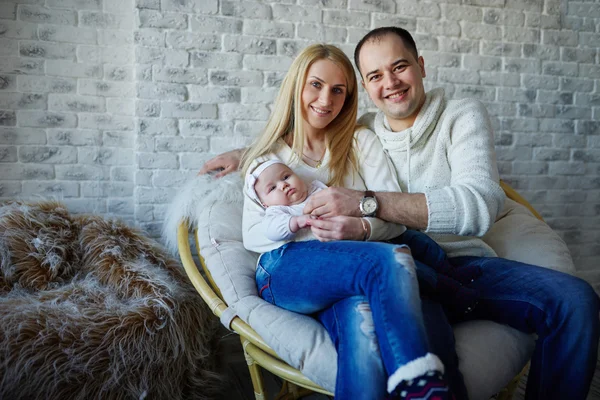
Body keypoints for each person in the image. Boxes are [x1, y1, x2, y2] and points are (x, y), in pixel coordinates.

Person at [239, 43, 467, 400]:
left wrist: (359, 227)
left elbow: (394, 220)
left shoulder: (360, 142)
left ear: (348, 97)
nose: (325, 99)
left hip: (351, 264)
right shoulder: (266, 161)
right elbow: (253, 237)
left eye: (338, 90)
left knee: (362, 320)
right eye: (315, 85)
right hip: (289, 269)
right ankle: (417, 382)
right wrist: (297, 223)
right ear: (296, 86)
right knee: (390, 260)